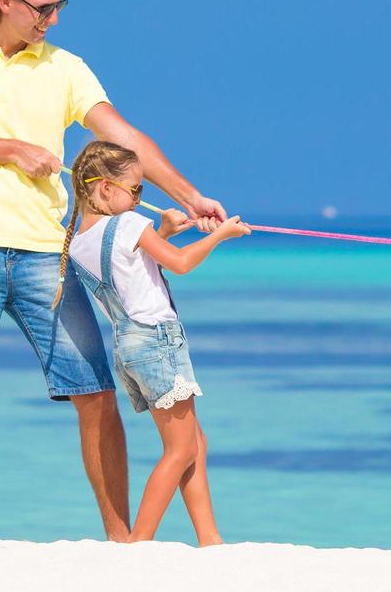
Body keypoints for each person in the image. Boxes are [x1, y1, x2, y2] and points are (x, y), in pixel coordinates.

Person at [0, 0, 227, 543]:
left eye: (59, 6)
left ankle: (120, 541)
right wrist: (11, 147)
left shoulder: (65, 67)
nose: (53, 19)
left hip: (45, 257)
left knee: (97, 395)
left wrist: (188, 196)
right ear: (8, 1)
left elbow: (126, 136)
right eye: (43, 7)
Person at [58, 141, 250, 545]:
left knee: (194, 440)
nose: (138, 198)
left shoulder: (77, 243)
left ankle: (210, 538)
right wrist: (221, 236)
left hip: (129, 347)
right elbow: (178, 264)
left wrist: (160, 232)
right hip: (157, 341)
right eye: (135, 190)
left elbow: (127, 270)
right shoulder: (128, 224)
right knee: (180, 449)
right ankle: (139, 541)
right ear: (106, 189)